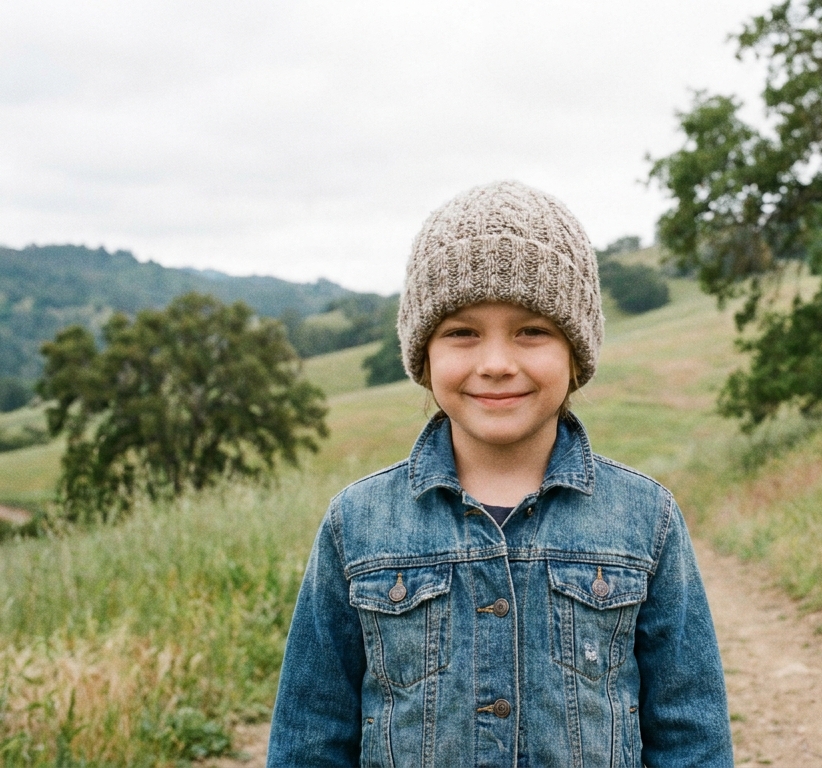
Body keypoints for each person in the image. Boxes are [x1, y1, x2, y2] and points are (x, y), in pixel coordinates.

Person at [267, 181, 733, 767]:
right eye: (462, 332)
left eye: (531, 331)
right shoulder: (355, 525)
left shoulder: (647, 519)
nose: (495, 364)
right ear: (423, 353)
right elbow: (311, 734)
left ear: (576, 352)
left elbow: (691, 734)